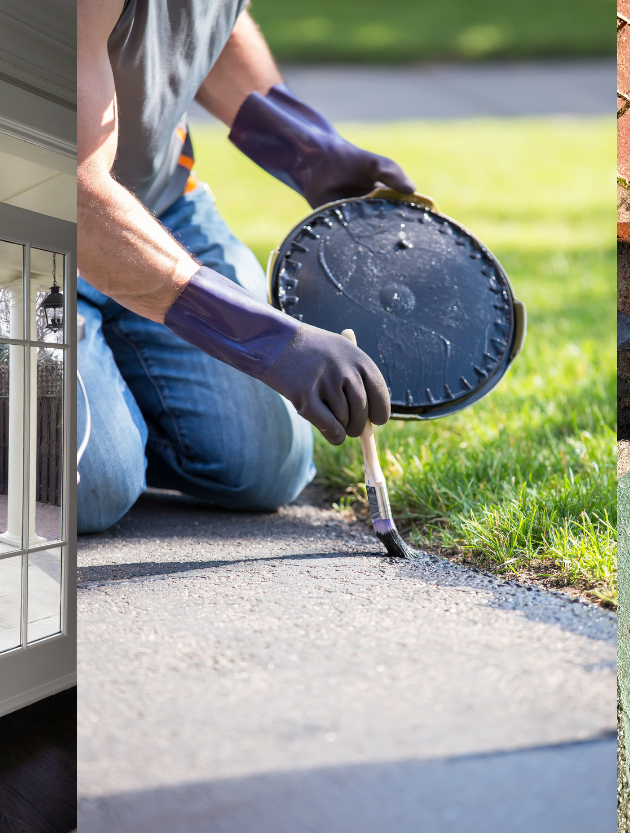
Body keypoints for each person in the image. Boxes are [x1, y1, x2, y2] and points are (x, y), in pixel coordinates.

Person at [75, 0, 413, 532]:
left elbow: (206, 24)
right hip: (19, 224)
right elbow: (78, 202)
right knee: (92, 488)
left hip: (159, 208)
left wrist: (306, 149)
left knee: (267, 468)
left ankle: (110, 373)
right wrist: (268, 340)